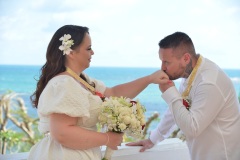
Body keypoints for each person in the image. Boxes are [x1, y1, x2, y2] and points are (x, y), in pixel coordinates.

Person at [27, 25, 167, 160]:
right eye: (88, 48)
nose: (92, 53)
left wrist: (149, 79)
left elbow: (113, 93)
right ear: (71, 52)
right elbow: (62, 133)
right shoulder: (65, 84)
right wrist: (108, 139)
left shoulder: (82, 80)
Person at [126, 32, 240, 160]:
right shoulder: (190, 74)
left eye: (166, 62)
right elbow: (176, 109)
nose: (162, 68)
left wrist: (169, 92)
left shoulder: (209, 82)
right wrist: (152, 139)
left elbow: (192, 129)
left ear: (186, 59)